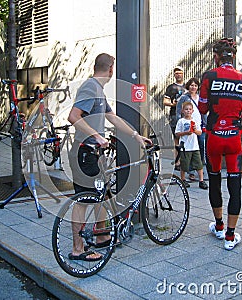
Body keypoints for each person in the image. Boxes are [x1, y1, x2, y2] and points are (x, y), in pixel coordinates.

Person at [67, 53, 151, 261]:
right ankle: (78, 249)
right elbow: (73, 116)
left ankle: (103, 235)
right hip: (84, 152)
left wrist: (134, 135)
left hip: (93, 153)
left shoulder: (98, 90)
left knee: (102, 195)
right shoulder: (90, 87)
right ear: (111, 69)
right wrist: (96, 136)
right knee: (83, 202)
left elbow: (112, 117)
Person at [198, 38, 242, 250]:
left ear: (216, 56)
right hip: (234, 138)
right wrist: (236, 118)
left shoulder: (209, 76)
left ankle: (219, 225)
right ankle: (230, 237)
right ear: (233, 57)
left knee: (214, 182)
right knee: (235, 185)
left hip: (214, 137)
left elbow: (203, 109)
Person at [176, 77, 207, 180]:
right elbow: (178, 111)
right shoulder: (184, 97)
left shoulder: (200, 97)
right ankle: (191, 171)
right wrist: (180, 124)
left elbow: (204, 111)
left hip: (199, 126)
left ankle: (199, 168)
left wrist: (205, 123)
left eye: (195, 85)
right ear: (188, 86)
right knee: (188, 150)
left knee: (200, 148)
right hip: (187, 128)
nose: (193, 87)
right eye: (191, 85)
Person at [175, 101, 207, 189]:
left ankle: (201, 180)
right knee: (184, 164)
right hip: (185, 147)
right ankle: (183, 179)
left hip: (195, 146)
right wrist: (185, 133)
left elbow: (199, 133)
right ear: (182, 111)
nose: (188, 111)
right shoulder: (181, 121)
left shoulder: (195, 121)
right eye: (186, 109)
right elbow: (177, 133)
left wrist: (195, 130)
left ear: (192, 111)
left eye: (189, 109)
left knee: (199, 164)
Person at [163, 66, 186, 169]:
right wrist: (174, 104)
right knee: (176, 139)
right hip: (175, 116)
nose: (178, 75)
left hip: (187, 117)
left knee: (186, 139)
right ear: (174, 75)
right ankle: (177, 162)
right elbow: (165, 102)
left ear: (183, 73)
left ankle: (186, 163)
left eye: (180, 73)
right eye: (176, 73)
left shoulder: (187, 86)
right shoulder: (171, 88)